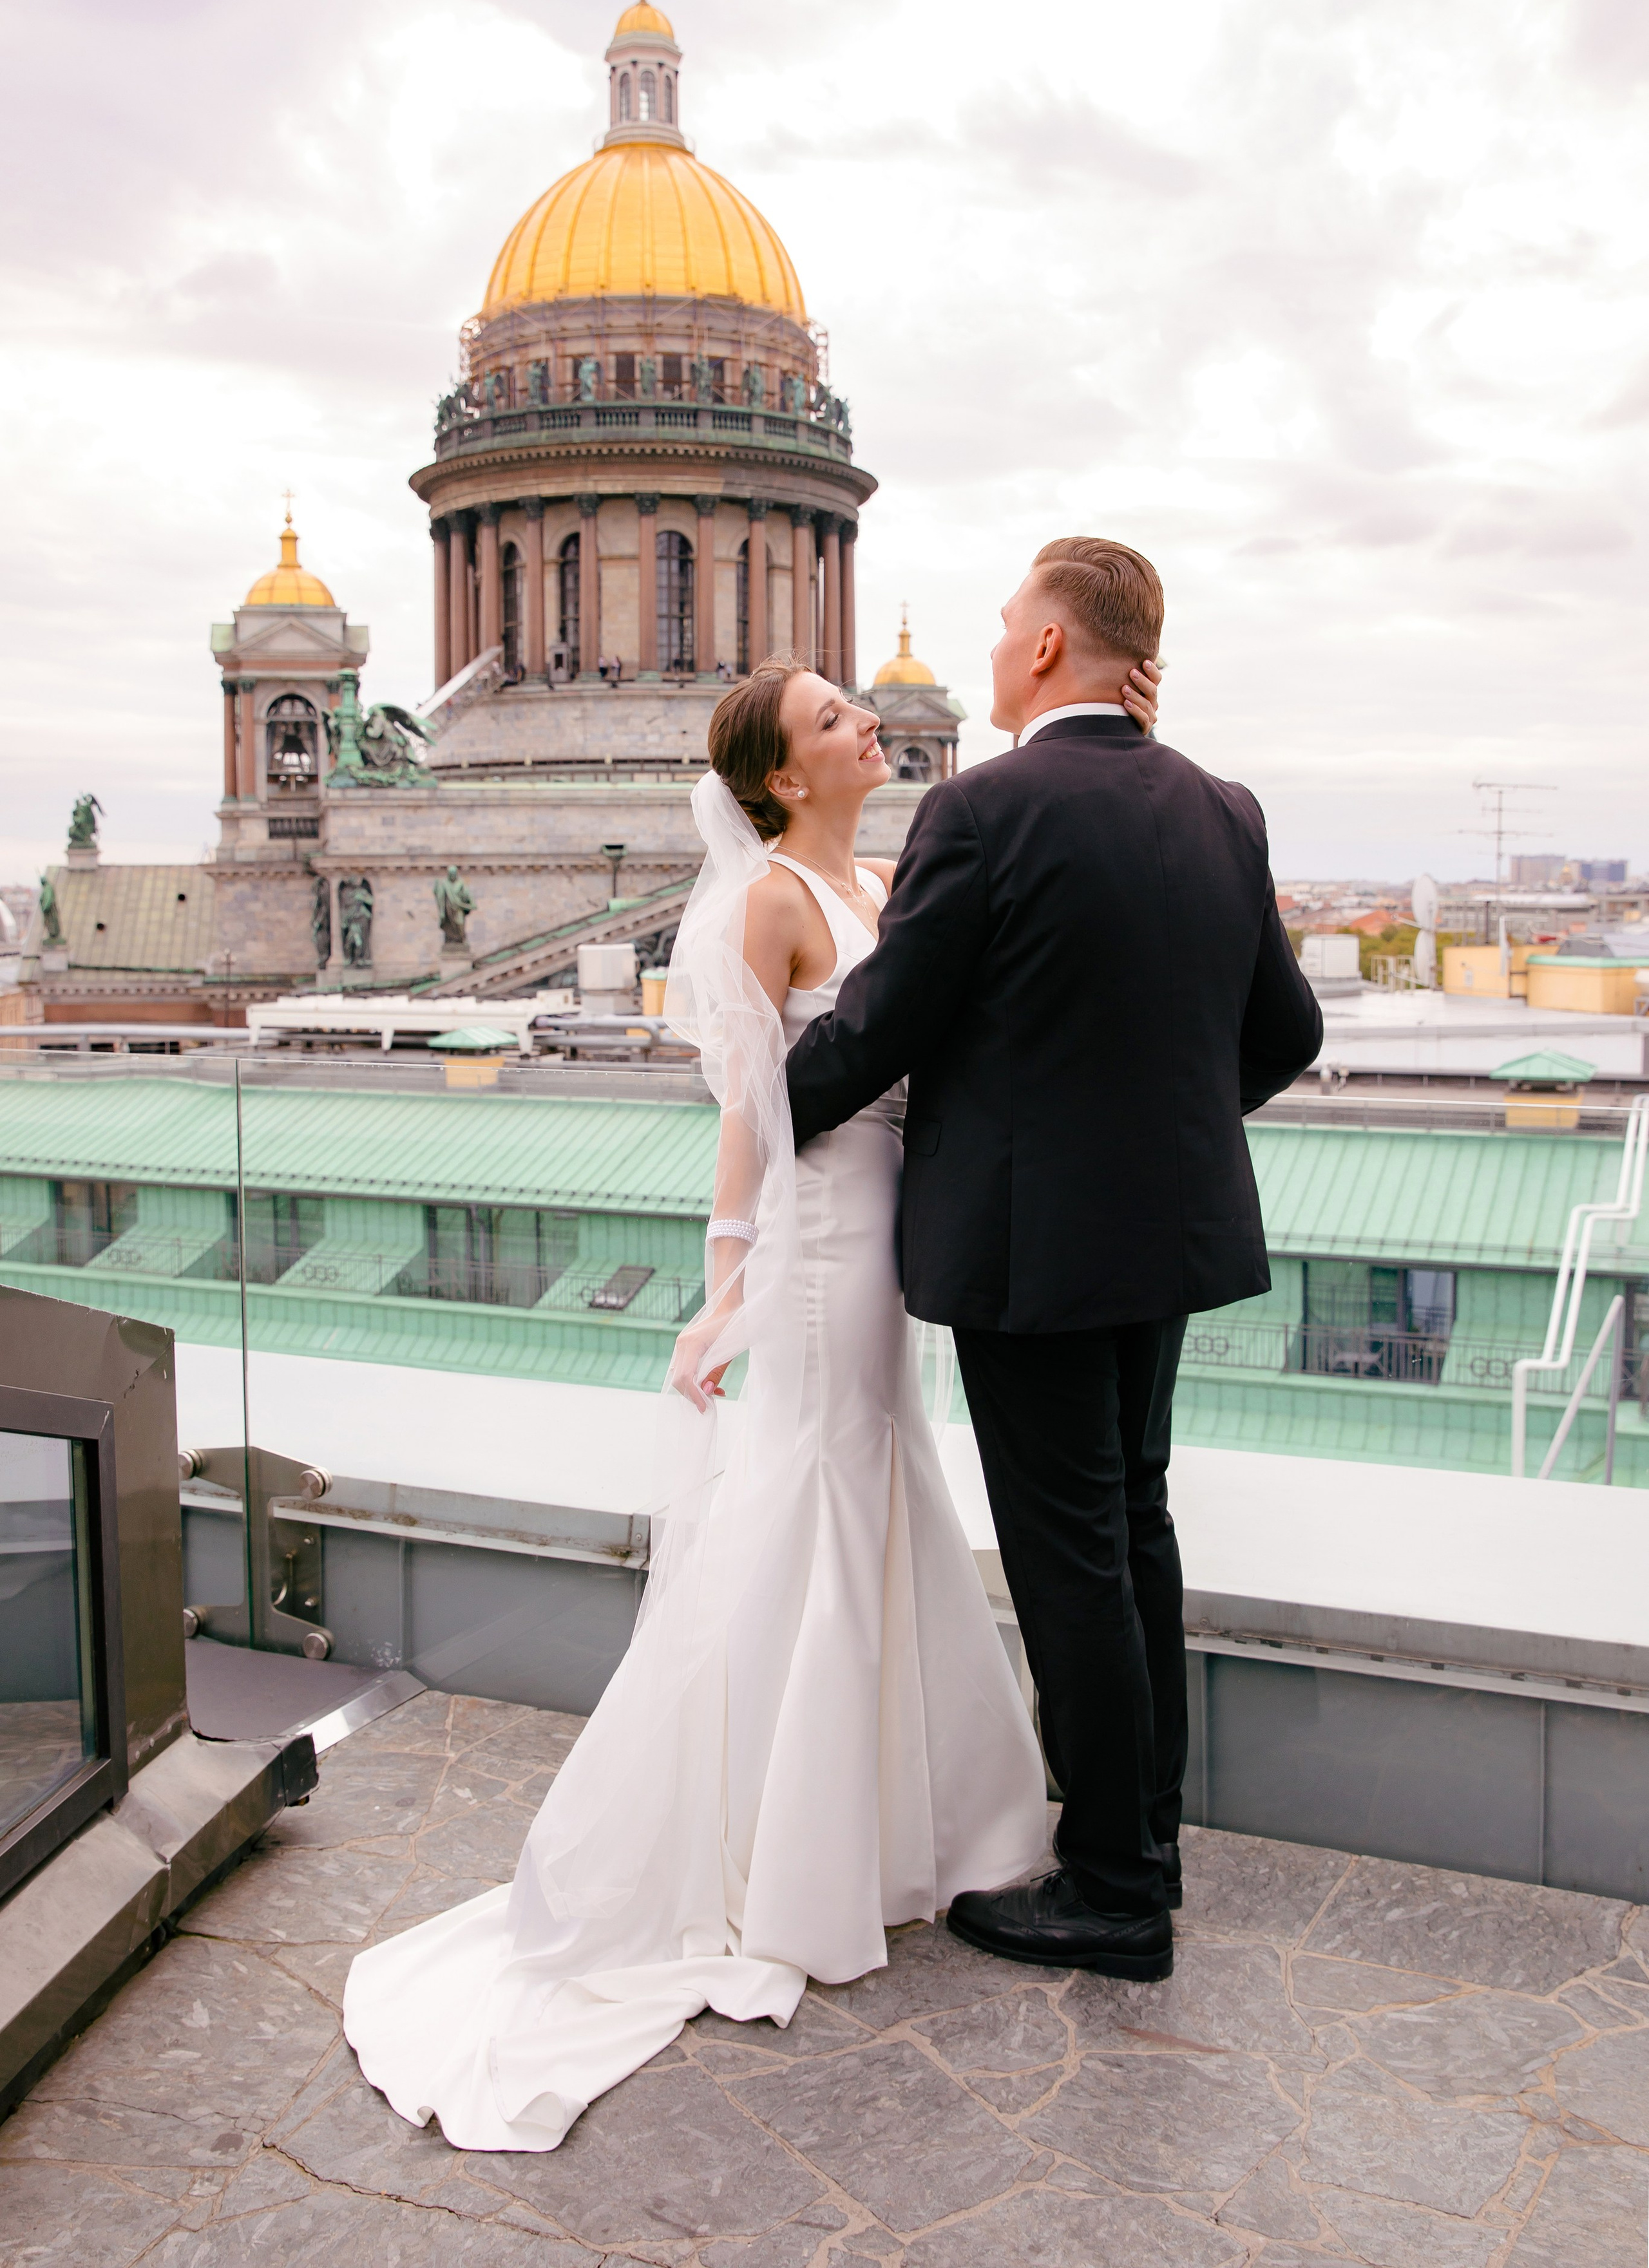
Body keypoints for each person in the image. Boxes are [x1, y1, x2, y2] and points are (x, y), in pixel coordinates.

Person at [342, 637, 1163, 2150]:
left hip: (888, 1242)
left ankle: (860, 1836)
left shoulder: (873, 888)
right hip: (817, 1251)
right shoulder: (773, 900)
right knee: (815, 1501)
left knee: (868, 1489)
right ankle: (792, 1865)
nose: (870, 723)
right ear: (784, 777)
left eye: (858, 708)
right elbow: (748, 1116)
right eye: (837, 718)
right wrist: (723, 1287)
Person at [785, 536, 1323, 1981]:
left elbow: (887, 1022)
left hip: (1027, 1248)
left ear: (1039, 652)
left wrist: (754, 1103)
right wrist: (1152, 1141)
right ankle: (1144, 1840)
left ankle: (1109, 1892)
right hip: (1165, 1236)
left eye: (1002, 619)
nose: (990, 641)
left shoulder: (984, 808)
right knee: (1131, 1525)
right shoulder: (1222, 808)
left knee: (1069, 1553)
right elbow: (1285, 1037)